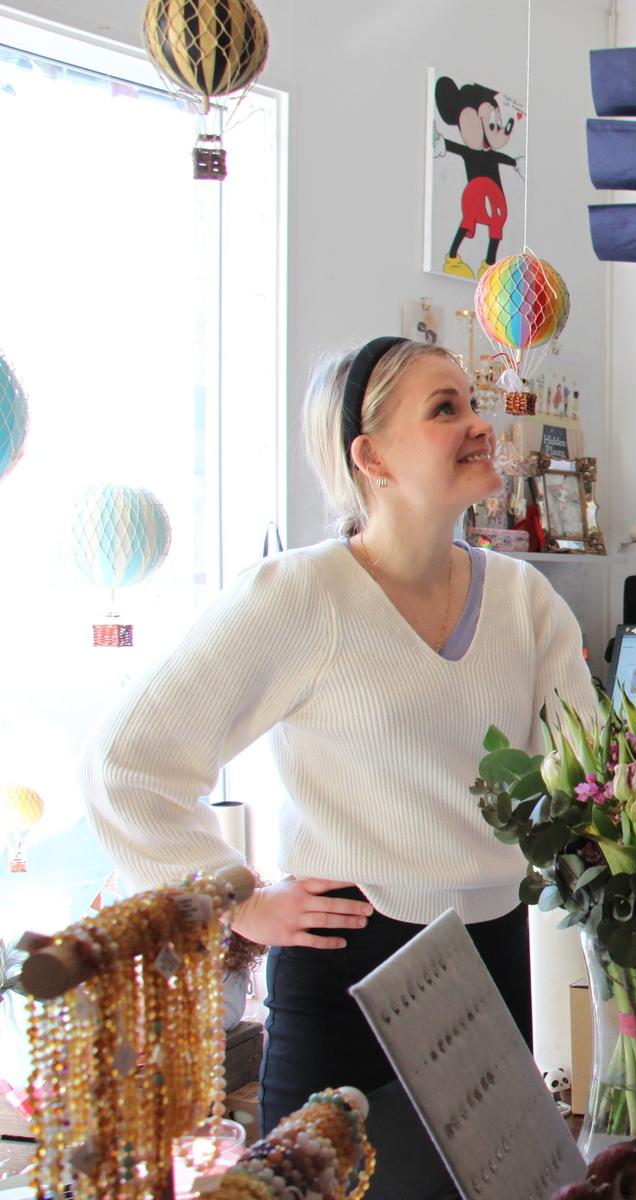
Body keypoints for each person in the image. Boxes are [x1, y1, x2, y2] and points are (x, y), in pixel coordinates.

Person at [84, 336, 597, 1135]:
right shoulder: (300, 595)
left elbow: (583, 785)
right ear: (370, 457)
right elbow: (126, 767)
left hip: (495, 963)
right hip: (347, 964)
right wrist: (237, 901)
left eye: (472, 401)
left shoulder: (526, 603)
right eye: (444, 408)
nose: (479, 424)